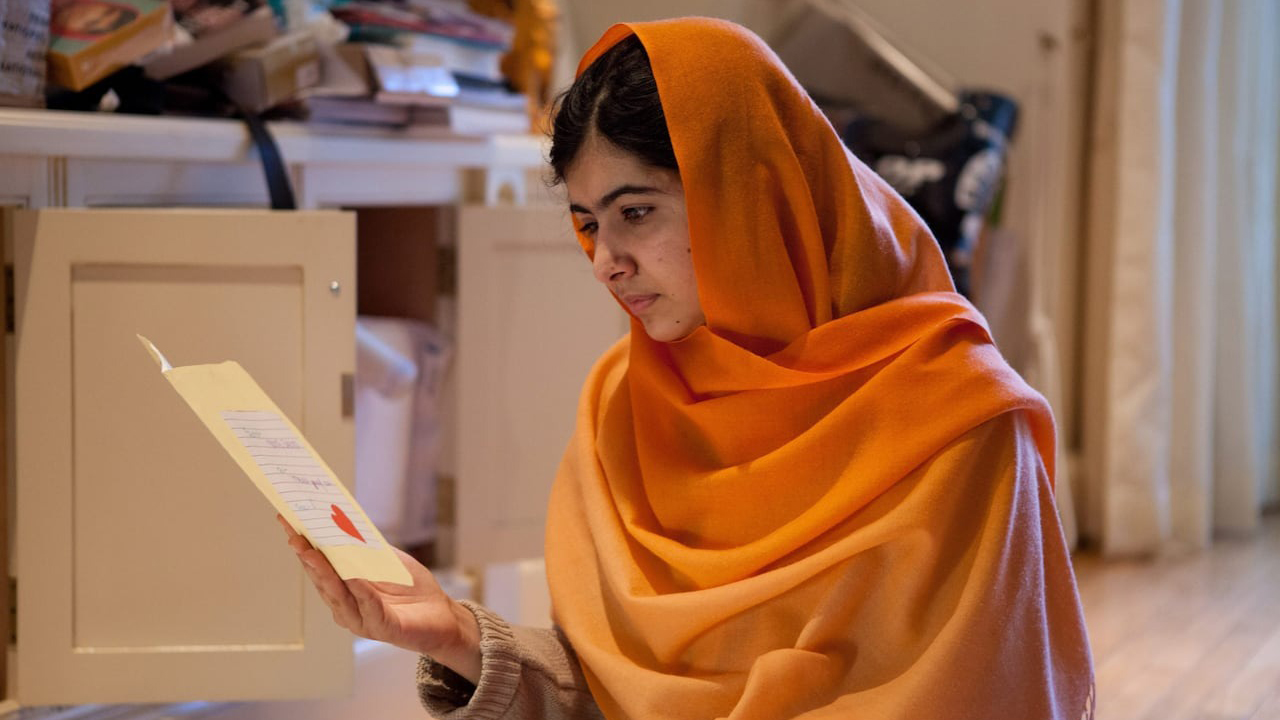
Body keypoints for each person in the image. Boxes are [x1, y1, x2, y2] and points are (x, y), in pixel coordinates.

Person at [281, 17, 1095, 720]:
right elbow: (614, 696)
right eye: (589, 224)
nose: (608, 261)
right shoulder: (625, 405)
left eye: (637, 211)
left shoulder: (955, 423)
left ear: (753, 190)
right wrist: (452, 632)